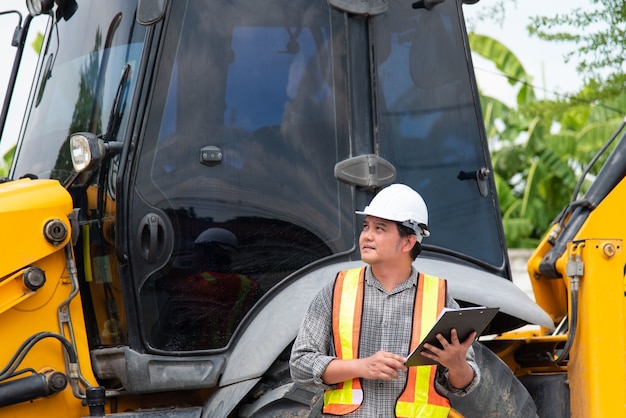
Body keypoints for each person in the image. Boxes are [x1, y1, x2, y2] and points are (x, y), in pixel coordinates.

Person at [290, 184, 480, 417]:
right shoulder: (337, 290)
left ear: (408, 242)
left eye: (380, 229)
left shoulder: (439, 298)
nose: (367, 235)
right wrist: (361, 366)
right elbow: (299, 365)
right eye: (366, 226)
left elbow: (463, 385)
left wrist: (457, 364)